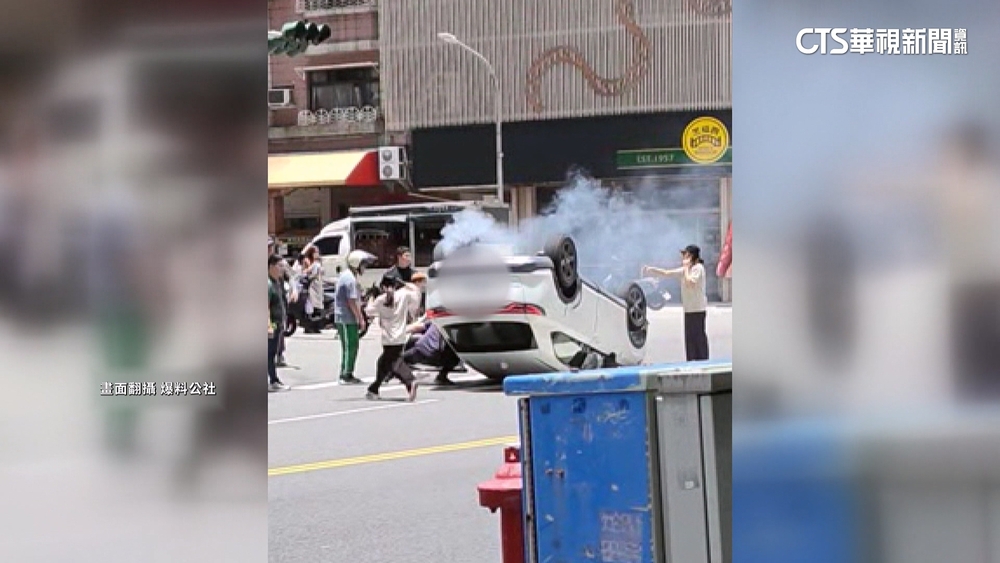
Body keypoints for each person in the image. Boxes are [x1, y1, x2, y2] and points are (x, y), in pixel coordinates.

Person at [643, 244, 709, 361]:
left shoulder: (698, 268)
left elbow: (690, 283)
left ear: (692, 256)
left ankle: (703, 361)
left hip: (698, 309)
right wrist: (651, 270)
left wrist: (686, 268)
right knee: (690, 339)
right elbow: (666, 273)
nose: (683, 258)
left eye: (686, 255)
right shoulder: (686, 270)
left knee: (699, 338)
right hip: (688, 309)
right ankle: (691, 362)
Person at [364, 275, 420, 401]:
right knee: (383, 363)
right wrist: (404, 283)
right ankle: (374, 389)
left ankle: (410, 381)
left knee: (395, 364)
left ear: (383, 287)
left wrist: (372, 298)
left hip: (388, 338)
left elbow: (369, 311)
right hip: (400, 336)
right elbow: (415, 291)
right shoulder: (403, 295)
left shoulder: (380, 299)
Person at [333, 250, 372, 385]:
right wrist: (360, 318)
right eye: (363, 265)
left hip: (347, 317)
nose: (364, 268)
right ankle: (345, 375)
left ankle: (348, 372)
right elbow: (352, 301)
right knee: (350, 346)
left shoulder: (348, 276)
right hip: (346, 317)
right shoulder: (349, 279)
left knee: (351, 345)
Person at [400, 319, 461, 386]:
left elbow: (417, 327)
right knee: (455, 357)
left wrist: (400, 332)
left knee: (399, 360)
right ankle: (442, 376)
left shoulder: (436, 321)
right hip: (437, 355)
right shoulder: (455, 325)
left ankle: (391, 374)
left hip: (422, 350)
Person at [268, 254, 290, 391]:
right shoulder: (268, 284)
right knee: (269, 354)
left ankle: (274, 380)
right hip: (272, 324)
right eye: (280, 266)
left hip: (278, 323)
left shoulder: (277, 282)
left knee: (272, 353)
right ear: (271, 266)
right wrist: (269, 326)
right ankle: (273, 381)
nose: (282, 269)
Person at [300, 245, 324, 333]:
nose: (317, 254)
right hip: (310, 285)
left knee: (316, 306)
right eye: (315, 252)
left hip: (317, 284)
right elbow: (304, 272)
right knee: (310, 305)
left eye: (318, 252)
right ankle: (308, 326)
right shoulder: (307, 261)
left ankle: (315, 326)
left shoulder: (318, 262)